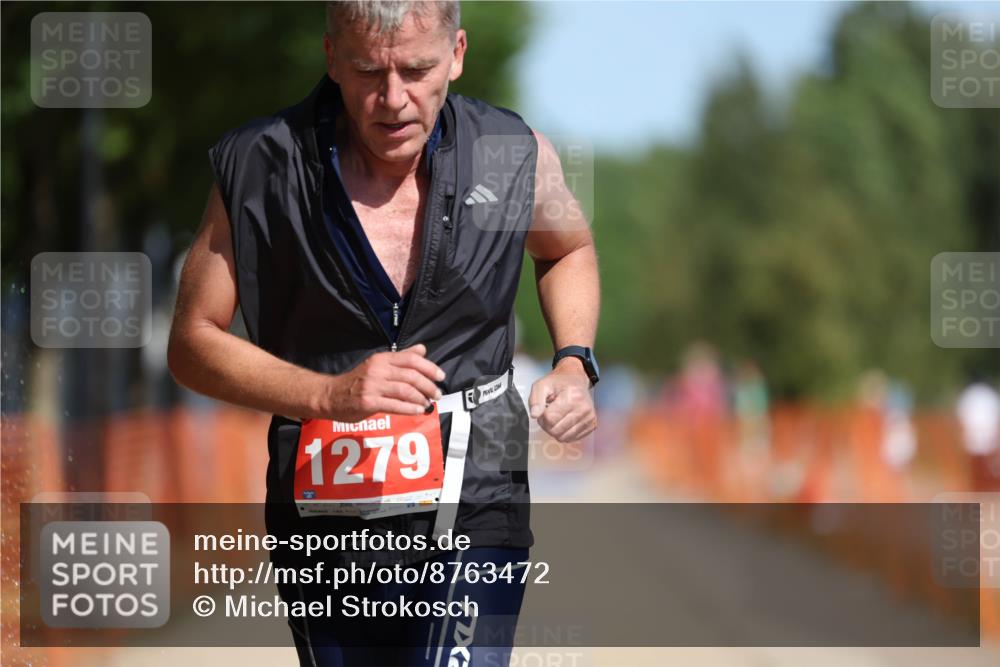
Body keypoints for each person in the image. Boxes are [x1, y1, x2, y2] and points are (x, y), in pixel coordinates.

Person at [167, 1, 601, 665]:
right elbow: (191, 344)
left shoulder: (512, 154)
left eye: (417, 69)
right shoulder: (259, 165)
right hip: (322, 516)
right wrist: (328, 394)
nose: (393, 98)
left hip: (475, 493)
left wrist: (573, 360)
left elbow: (567, 249)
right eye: (370, 71)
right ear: (332, 56)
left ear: (457, 54)